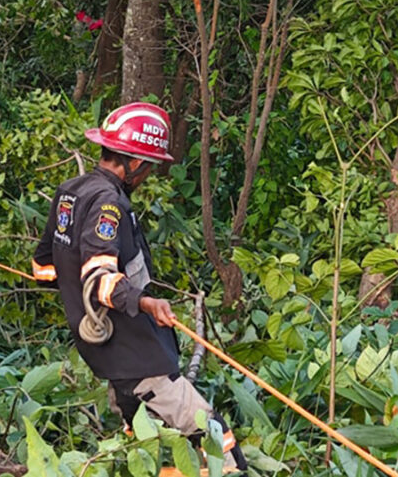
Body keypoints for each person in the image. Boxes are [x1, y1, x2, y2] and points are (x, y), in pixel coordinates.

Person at [32, 103, 245, 471]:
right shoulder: (108, 203)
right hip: (133, 347)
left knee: (138, 435)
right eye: (149, 166)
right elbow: (99, 279)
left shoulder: (71, 191)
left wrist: (68, 281)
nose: (148, 174)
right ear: (134, 162)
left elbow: (42, 268)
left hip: (102, 349)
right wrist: (147, 303)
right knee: (211, 430)